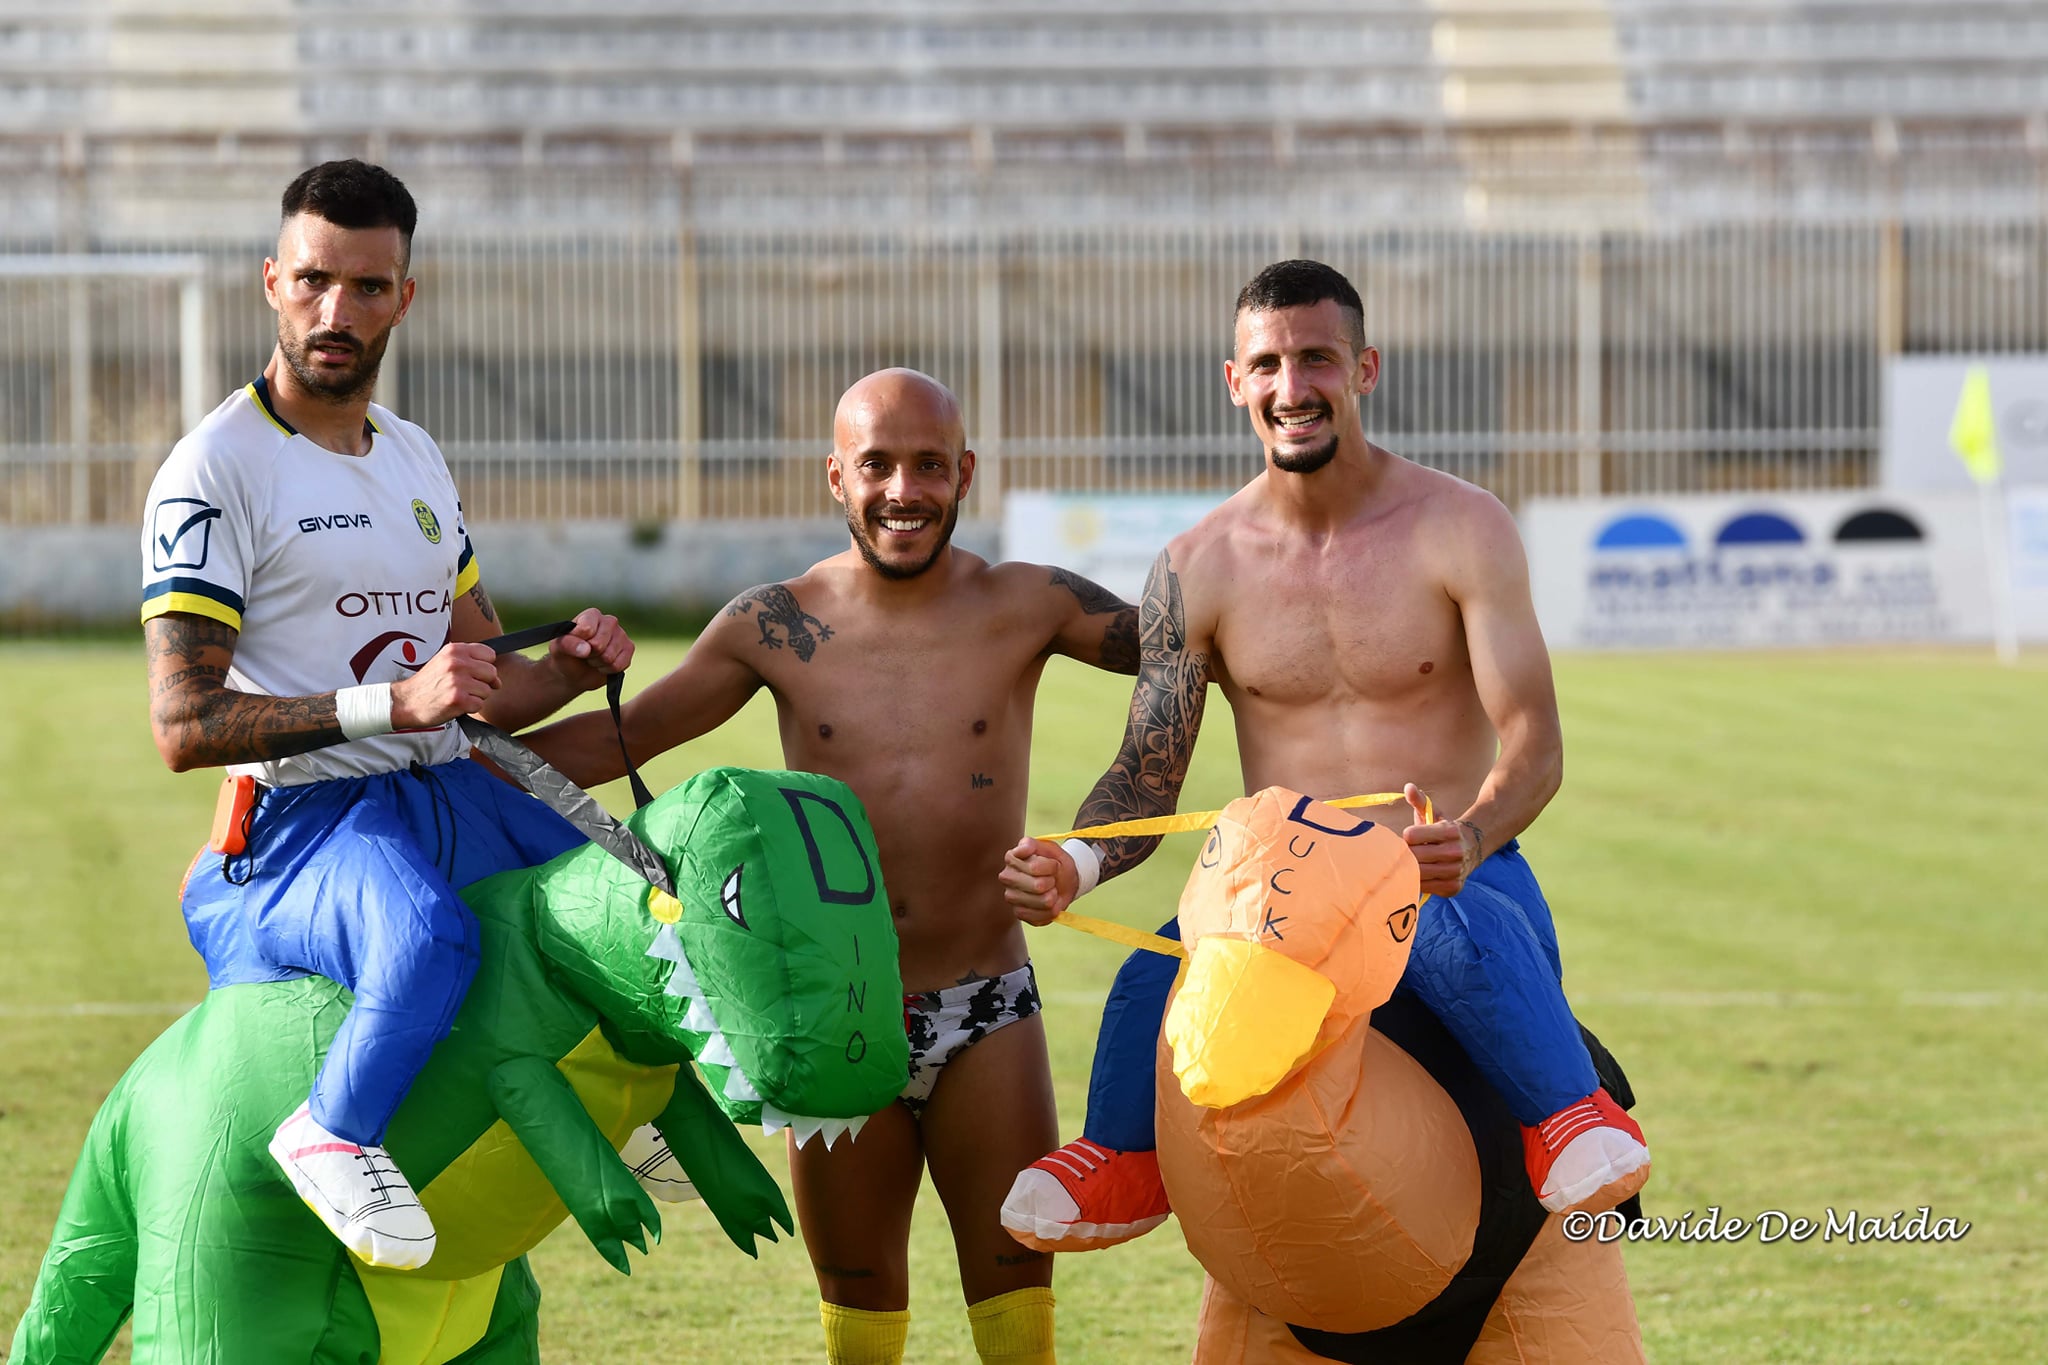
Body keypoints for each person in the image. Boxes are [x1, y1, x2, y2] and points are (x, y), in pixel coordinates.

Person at [997, 259, 1650, 1254]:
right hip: (1286, 893)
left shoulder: (1462, 525)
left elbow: (1533, 742)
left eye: (1315, 359)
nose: (1290, 387)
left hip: (1451, 874)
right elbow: (1147, 768)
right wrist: (1075, 862)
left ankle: (1568, 1118)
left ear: (1363, 369)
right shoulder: (1193, 565)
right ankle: (1117, 1157)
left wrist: (1470, 836)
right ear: (1232, 381)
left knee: (1456, 928)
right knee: (1161, 963)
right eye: (1266, 364)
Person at [522, 368, 1138, 1365]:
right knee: (854, 1286)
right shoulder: (773, 621)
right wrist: (445, 760)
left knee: (1016, 1264)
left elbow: (1192, 648)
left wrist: (1098, 844)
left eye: (929, 466)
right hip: (830, 1013)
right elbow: (623, 741)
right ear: (834, 477)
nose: (904, 490)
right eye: (877, 465)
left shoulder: (1026, 602)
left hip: (986, 1004)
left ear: (965, 472)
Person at [141, 160, 635, 1270]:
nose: (336, 312)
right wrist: (391, 704)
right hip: (299, 820)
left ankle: (631, 1112)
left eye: (367, 287)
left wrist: (570, 660)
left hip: (443, 786)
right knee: (426, 936)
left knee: (623, 889)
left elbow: (483, 688)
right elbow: (184, 724)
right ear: (272, 281)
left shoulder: (414, 457)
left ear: (404, 296)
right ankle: (330, 1131)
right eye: (313, 280)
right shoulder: (214, 470)